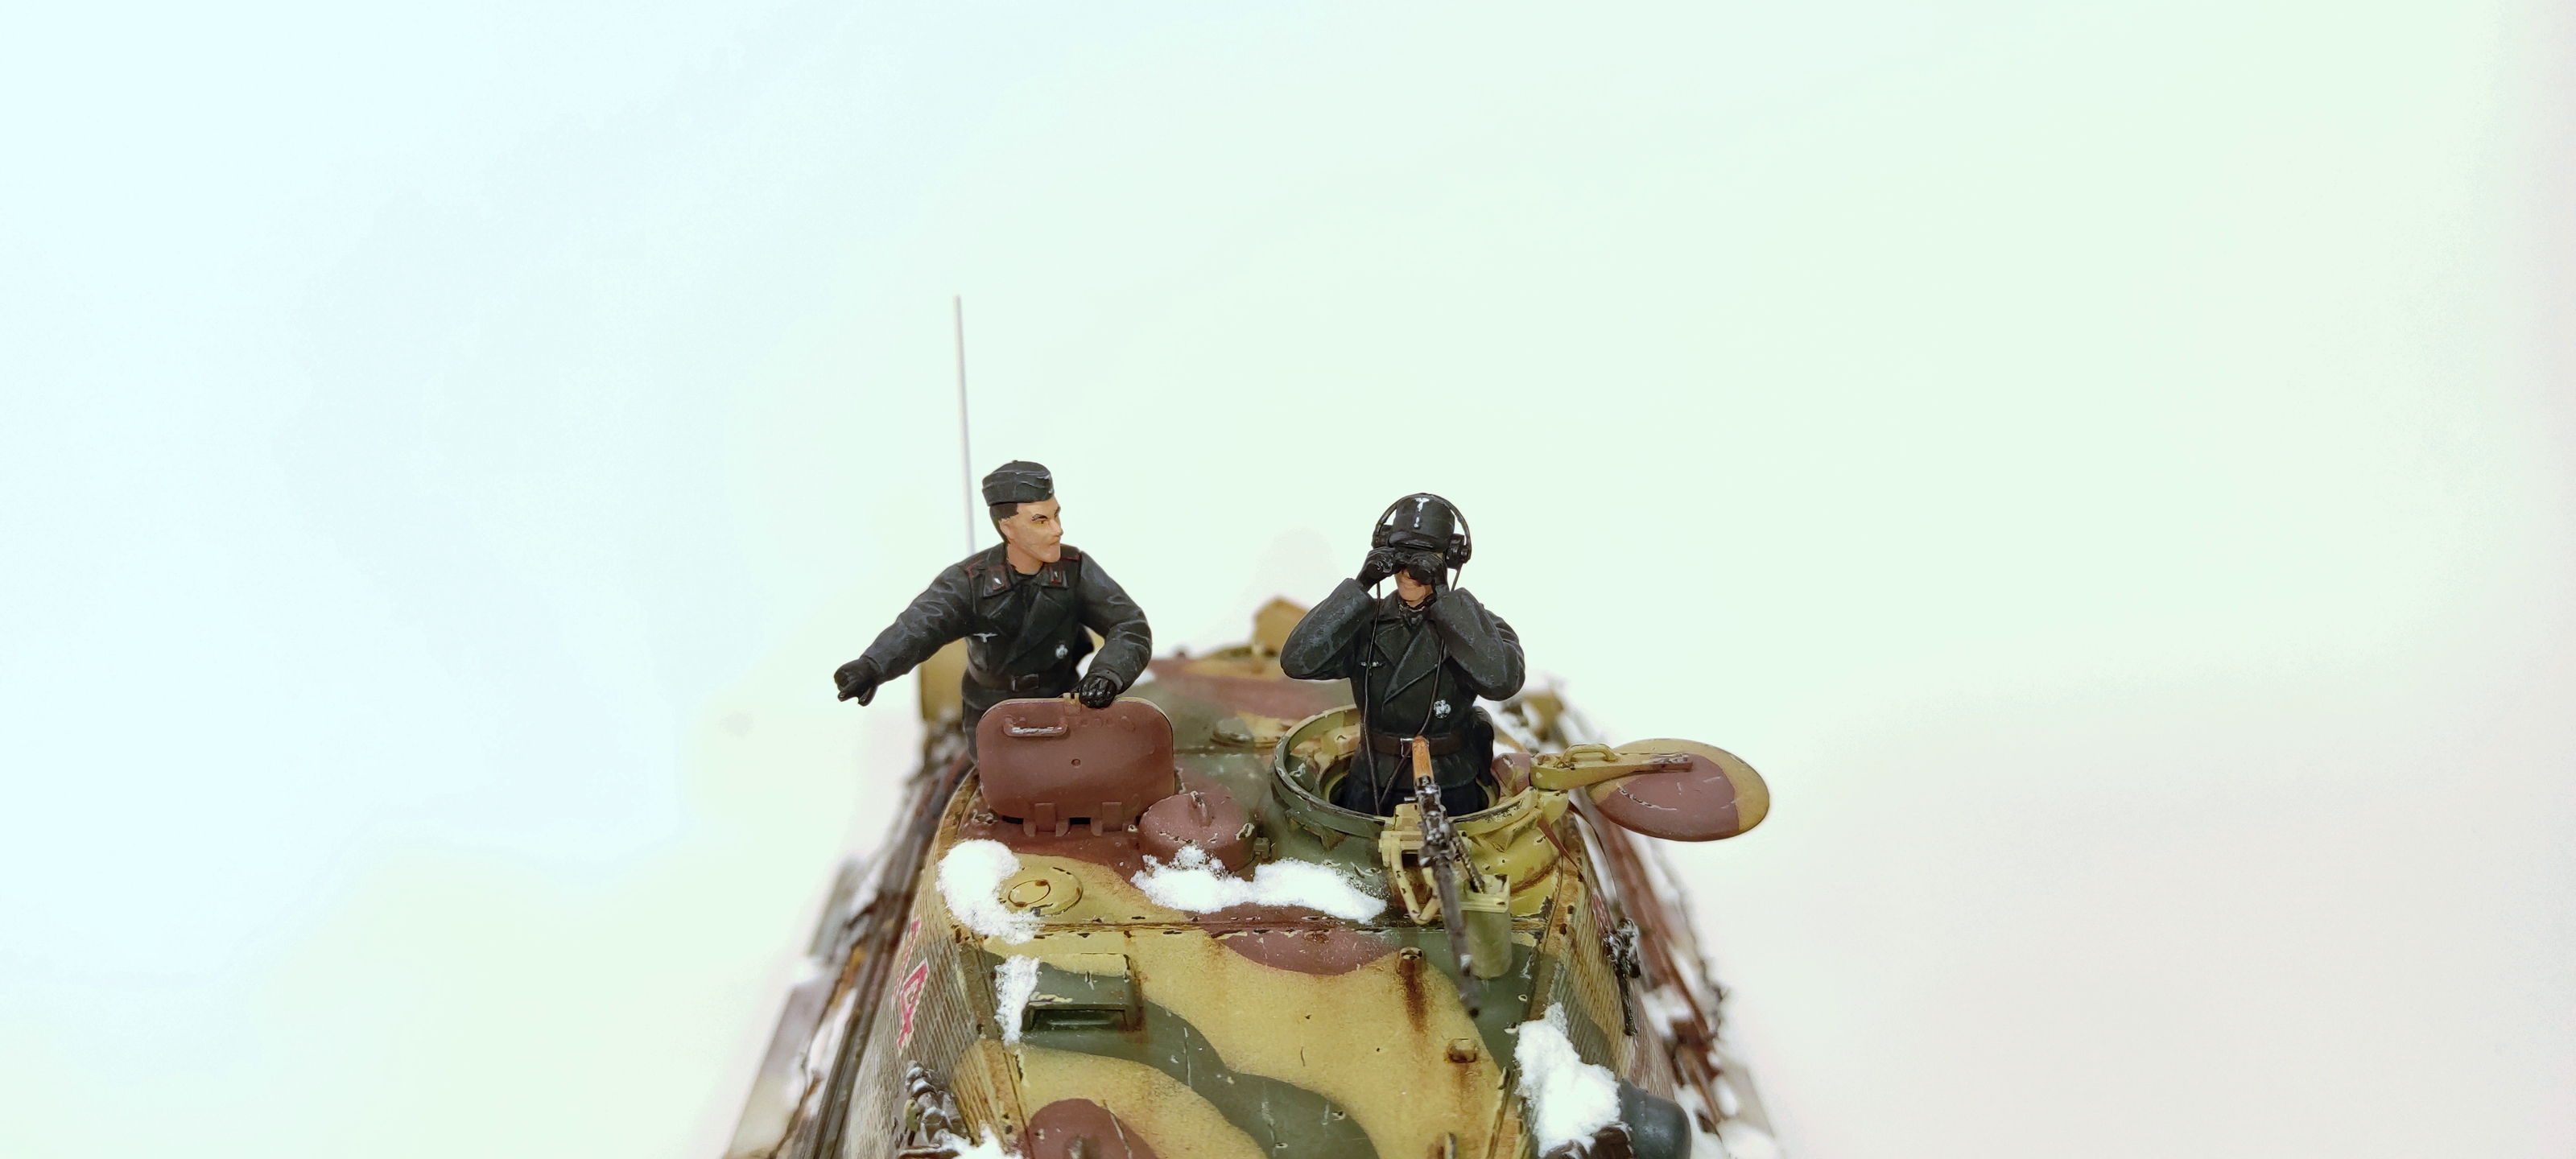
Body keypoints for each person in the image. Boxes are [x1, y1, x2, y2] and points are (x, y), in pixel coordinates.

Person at [832, 461, 1151, 741]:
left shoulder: (1074, 570)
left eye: (1056, 515)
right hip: (993, 715)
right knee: (1002, 786)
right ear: (1007, 527)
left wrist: (1106, 674)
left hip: (1063, 703)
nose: (1058, 530)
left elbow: (1128, 623)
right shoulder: (970, 582)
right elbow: (921, 624)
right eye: (1041, 520)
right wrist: (873, 665)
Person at [1281, 493, 1525, 816]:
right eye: (1402, 556)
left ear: (1450, 559)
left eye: (1425, 559)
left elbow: (1503, 681)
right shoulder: (1364, 623)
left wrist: (1444, 597)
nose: (1410, 571)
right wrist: (1361, 584)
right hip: (1371, 777)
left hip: (1449, 780)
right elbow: (1296, 661)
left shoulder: (1477, 628)